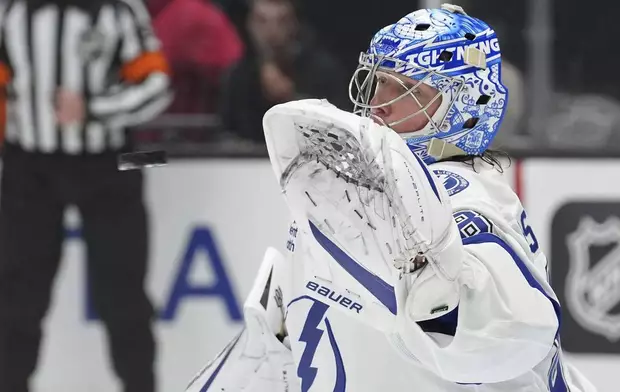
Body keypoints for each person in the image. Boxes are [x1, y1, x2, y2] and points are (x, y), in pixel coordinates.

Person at [185, 4, 597, 392]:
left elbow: (514, 335)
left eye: (408, 91)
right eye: (380, 81)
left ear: (461, 107)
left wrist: (438, 294)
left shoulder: (466, 198)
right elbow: (283, 348)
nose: (380, 103)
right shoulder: (350, 195)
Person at [0, 0, 171, 391]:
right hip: (28, 165)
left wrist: (94, 108)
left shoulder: (119, 10)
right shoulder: (10, 10)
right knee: (17, 299)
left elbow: (157, 87)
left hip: (110, 161)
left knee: (124, 297)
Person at [218, 0, 347, 144]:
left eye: (281, 21)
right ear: (249, 25)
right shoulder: (238, 74)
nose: (271, 31)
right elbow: (225, 134)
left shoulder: (322, 70)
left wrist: (290, 98)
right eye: (262, 21)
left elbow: (338, 130)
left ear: (295, 24)